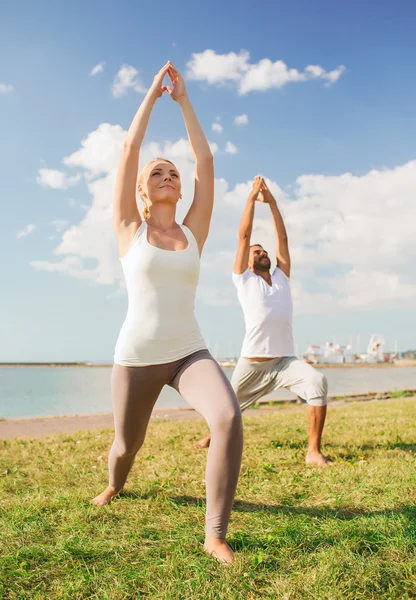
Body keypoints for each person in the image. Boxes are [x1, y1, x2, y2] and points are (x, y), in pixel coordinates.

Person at [92, 62, 243, 563]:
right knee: (125, 447)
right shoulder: (128, 229)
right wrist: (151, 98)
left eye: (172, 173)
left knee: (226, 416)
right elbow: (127, 152)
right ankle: (115, 485)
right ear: (142, 189)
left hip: (187, 351)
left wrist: (184, 101)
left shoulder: (194, 231)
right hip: (135, 357)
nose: (167, 175)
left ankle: (214, 533)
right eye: (157, 172)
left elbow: (205, 160)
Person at [197, 176, 330, 466]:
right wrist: (250, 199)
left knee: (317, 382)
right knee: (226, 409)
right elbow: (243, 237)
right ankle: (211, 437)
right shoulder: (243, 279)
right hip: (252, 364)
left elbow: (282, 239)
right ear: (247, 260)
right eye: (257, 252)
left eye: (264, 251)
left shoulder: (282, 277)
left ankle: (313, 451)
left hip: (284, 362)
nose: (263, 253)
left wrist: (271, 202)